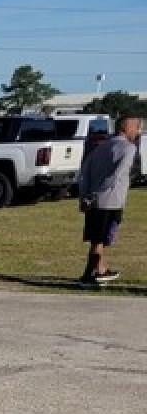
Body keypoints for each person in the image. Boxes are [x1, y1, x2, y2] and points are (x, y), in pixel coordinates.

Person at [77, 115, 142, 286]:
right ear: (126, 128)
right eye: (137, 127)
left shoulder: (99, 147)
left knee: (96, 239)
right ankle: (92, 274)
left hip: (93, 200)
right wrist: (96, 193)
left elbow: (85, 172)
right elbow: (118, 174)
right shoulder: (128, 148)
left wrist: (85, 196)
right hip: (109, 200)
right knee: (100, 239)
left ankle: (98, 271)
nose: (138, 131)